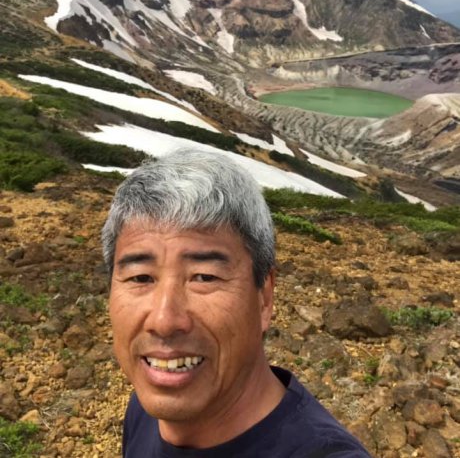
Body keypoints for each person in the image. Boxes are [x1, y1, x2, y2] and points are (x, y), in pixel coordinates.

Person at [102, 148, 371, 457]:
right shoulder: (145, 408)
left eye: (204, 277)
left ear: (264, 297)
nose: (164, 321)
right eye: (140, 277)